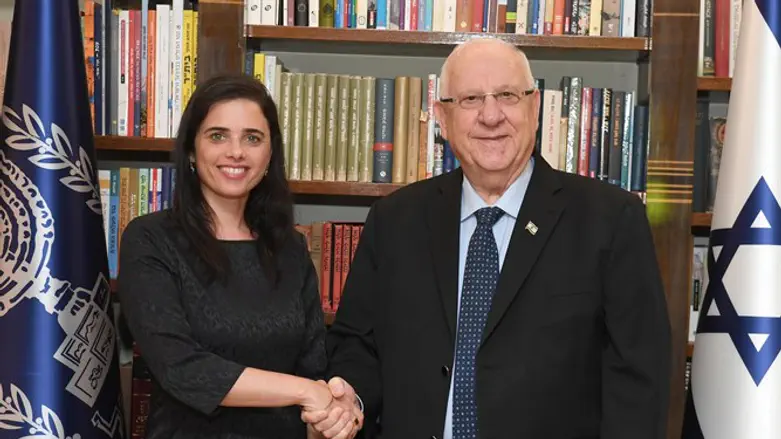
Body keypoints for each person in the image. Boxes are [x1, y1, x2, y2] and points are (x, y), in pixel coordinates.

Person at [304, 38, 671, 439]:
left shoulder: (610, 219)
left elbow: (639, 381)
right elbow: (358, 344)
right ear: (443, 118)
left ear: (535, 108)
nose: (491, 116)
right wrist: (352, 400)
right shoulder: (394, 220)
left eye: (508, 95)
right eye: (471, 99)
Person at [117, 74, 363, 439]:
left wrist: (331, 417)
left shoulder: (291, 249)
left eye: (252, 138)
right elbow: (181, 368)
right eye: (218, 135)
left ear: (270, 154)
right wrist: (307, 392)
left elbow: (314, 367)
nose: (236, 152)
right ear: (191, 149)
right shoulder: (151, 239)